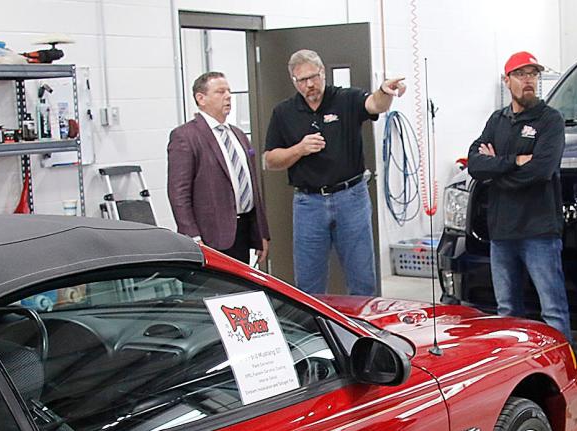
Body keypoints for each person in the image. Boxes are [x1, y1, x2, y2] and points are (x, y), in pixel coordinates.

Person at [264, 49, 405, 295]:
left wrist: (384, 91)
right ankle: (315, 331)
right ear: (294, 82)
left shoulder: (345, 99)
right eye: (303, 80)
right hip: (308, 203)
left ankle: (364, 329)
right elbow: (270, 160)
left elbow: (374, 104)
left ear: (323, 73)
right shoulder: (283, 112)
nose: (310, 85)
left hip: (351, 198)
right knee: (308, 283)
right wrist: (299, 149)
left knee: (362, 278)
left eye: (314, 77)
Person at [465, 51, 571, 341]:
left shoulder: (550, 120)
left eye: (533, 74)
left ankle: (566, 370)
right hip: (502, 232)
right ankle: (516, 372)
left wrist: (497, 171)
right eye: (521, 74)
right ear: (506, 80)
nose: (528, 80)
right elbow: (474, 164)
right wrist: (513, 161)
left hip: (539, 230)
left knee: (553, 310)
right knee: (507, 310)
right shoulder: (497, 120)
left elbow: (540, 171)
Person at [167, 71, 269, 265]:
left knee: (241, 291)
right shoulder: (186, 136)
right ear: (201, 98)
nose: (228, 96)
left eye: (229, 91)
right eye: (220, 92)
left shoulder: (238, 135)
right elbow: (178, 192)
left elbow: (252, 186)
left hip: (243, 229)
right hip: (210, 235)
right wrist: (192, 236)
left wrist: (261, 232)